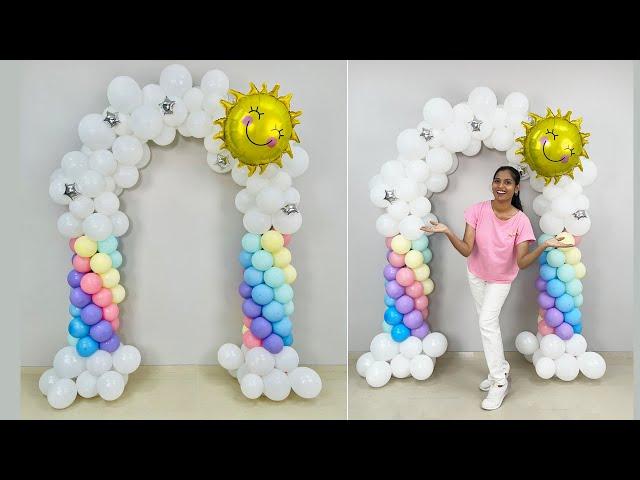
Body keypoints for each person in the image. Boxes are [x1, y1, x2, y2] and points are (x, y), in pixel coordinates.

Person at [421, 166, 573, 410]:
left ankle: (500, 383)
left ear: (516, 188)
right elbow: (467, 250)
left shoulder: (521, 221)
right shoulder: (478, 210)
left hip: (501, 280)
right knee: (487, 325)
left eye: (507, 182)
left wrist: (545, 246)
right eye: (496, 181)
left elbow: (522, 263)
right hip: (476, 275)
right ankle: (499, 370)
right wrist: (447, 231)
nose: (500, 186)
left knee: (486, 323)